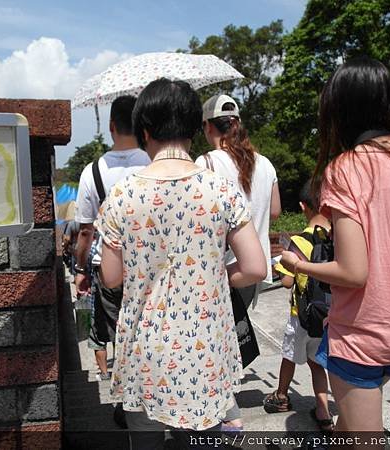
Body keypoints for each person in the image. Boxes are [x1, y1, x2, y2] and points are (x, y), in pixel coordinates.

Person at [280, 57, 390, 441]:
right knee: (351, 426)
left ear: (337, 111)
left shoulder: (346, 169)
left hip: (366, 339)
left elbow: (353, 272)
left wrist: (298, 264)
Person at [96, 78, 267, 450]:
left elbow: (110, 278)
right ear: (193, 128)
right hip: (204, 348)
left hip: (144, 348)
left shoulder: (123, 193)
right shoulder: (220, 188)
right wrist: (211, 274)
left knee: (145, 441)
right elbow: (255, 267)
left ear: (144, 130)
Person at [196, 93, 281, 431]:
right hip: (253, 269)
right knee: (229, 336)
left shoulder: (207, 163)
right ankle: (225, 404)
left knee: (214, 340)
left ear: (206, 126)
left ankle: (226, 414)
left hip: (221, 270)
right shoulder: (266, 164)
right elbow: (274, 211)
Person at [74, 95, 150, 381]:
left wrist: (80, 270)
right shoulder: (154, 162)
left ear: (111, 126)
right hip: (149, 262)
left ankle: (126, 396)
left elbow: (85, 232)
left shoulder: (92, 172)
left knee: (120, 329)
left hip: (109, 266)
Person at [263, 181, 333, 432]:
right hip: (326, 315)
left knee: (289, 357)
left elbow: (286, 282)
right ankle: (324, 410)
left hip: (301, 315)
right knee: (317, 363)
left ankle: (281, 396)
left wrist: (286, 258)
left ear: (303, 206)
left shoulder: (300, 241)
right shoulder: (335, 236)